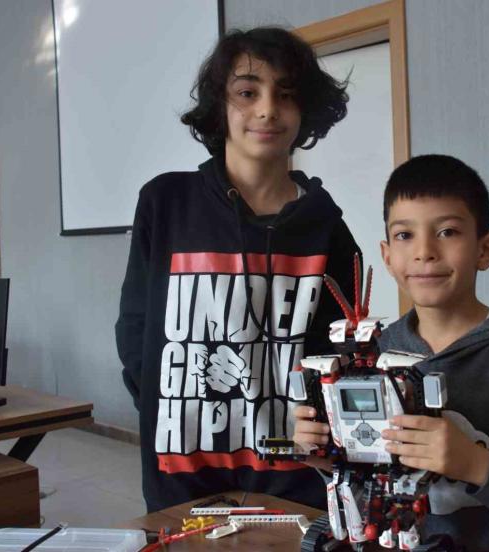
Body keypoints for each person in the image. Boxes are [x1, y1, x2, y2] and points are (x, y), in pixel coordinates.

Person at [294, 154, 489, 550]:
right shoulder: (376, 350)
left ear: (485, 249)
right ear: (387, 256)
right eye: (405, 235)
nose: (424, 251)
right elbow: (374, 484)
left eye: (448, 232)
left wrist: (476, 464)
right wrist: (334, 453)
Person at [115, 26, 360, 513]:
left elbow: (341, 355)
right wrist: (167, 411)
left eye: (285, 94)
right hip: (182, 471)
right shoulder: (165, 202)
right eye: (248, 93)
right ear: (219, 106)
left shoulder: (327, 227)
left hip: (295, 480)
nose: (268, 109)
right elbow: (136, 328)